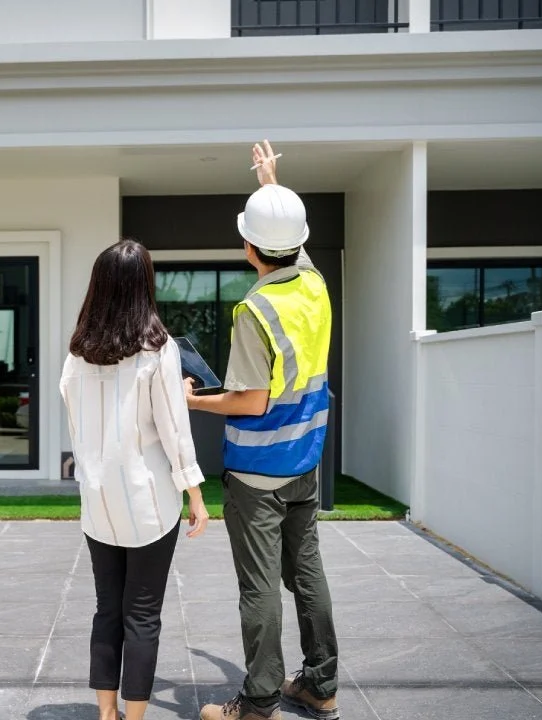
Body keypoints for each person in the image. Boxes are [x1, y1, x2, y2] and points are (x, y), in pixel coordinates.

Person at [189, 142, 339, 720]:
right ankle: (320, 684)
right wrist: (272, 185)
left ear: (248, 247)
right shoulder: (316, 287)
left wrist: (195, 399)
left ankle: (255, 703)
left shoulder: (255, 311)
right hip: (305, 461)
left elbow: (250, 400)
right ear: (298, 242)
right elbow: (296, 247)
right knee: (307, 574)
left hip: (257, 473)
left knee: (259, 589)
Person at [60, 239, 210, 720]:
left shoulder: (77, 353)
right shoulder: (158, 350)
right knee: (142, 614)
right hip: (149, 503)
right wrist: (196, 494)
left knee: (107, 611)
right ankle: (136, 716)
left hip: (98, 501)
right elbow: (174, 430)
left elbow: (76, 420)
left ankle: (107, 713)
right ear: (143, 286)